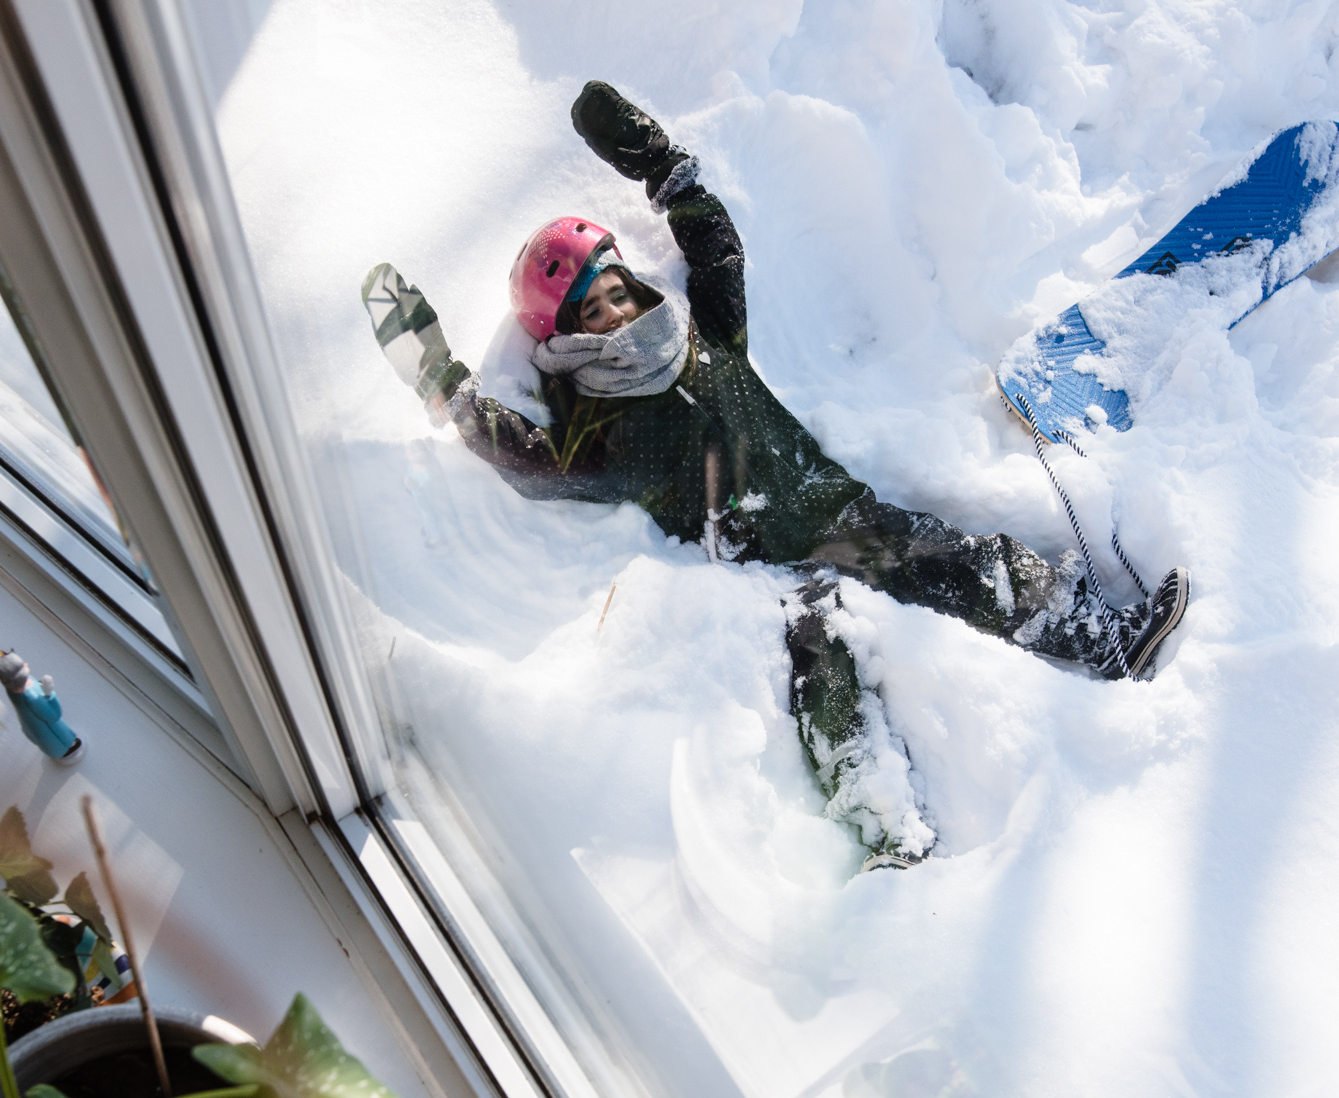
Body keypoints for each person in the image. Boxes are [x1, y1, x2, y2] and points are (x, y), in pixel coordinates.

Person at [363, 82, 1189, 865]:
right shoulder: (607, 437)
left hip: (835, 513)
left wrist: (658, 162)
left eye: (616, 291)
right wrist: (440, 377)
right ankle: (886, 834)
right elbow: (527, 461)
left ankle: (1106, 638)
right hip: (759, 570)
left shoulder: (706, 338)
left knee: (961, 561)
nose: (615, 311)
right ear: (566, 338)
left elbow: (717, 246)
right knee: (823, 666)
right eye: (592, 309)